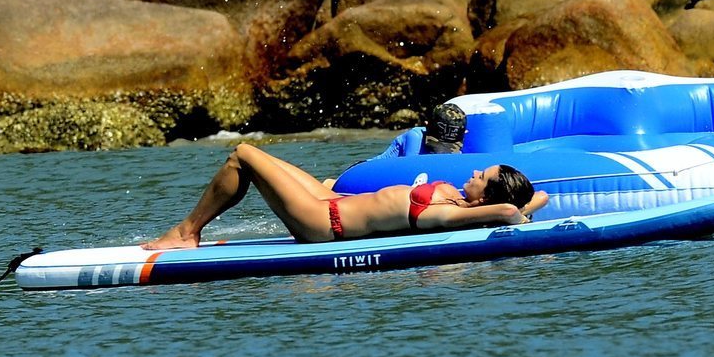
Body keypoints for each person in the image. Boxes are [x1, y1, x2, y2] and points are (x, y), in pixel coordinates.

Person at [141, 143, 550, 249]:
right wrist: (528, 206)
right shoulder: (457, 200)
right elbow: (540, 197)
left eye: (484, 176)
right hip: (325, 201)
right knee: (252, 156)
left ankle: (186, 231)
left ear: (485, 199)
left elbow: (508, 209)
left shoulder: (446, 215)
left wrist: (515, 212)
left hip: (321, 224)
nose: (475, 172)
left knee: (243, 155)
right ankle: (186, 230)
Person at [374, 102, 468, 159]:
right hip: (373, 168)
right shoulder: (415, 137)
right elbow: (410, 169)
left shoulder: (461, 140)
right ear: (426, 125)